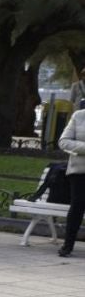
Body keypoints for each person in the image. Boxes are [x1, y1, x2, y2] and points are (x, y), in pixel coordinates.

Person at [55, 107, 85, 257]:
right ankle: (68, 245)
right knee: (77, 207)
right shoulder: (79, 116)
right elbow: (63, 142)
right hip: (79, 171)